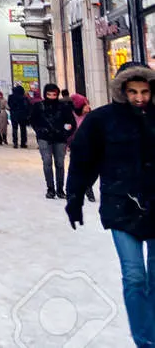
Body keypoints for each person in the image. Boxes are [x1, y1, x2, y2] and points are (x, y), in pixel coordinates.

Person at [65, 62, 155, 348]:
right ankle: (146, 341)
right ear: (121, 91)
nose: (139, 97)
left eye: (144, 91)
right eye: (132, 92)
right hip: (122, 206)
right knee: (134, 276)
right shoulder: (102, 120)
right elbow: (83, 160)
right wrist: (75, 197)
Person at [31, 82, 76, 198]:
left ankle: (60, 189)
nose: (51, 97)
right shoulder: (39, 106)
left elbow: (72, 123)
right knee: (47, 162)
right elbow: (33, 121)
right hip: (44, 138)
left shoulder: (63, 107)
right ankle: (50, 188)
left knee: (60, 163)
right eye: (49, 94)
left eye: (54, 95)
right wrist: (40, 131)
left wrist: (65, 132)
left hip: (60, 138)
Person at [67, 91, 96, 203]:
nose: (88, 106)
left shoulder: (91, 116)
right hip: (76, 146)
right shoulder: (71, 116)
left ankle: (88, 189)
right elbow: (69, 132)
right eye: (85, 104)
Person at [7, 84, 31, 148]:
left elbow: (9, 104)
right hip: (22, 115)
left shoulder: (11, 97)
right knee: (23, 129)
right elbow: (28, 106)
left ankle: (15, 143)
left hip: (14, 114)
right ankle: (23, 143)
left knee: (14, 129)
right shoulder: (24, 97)